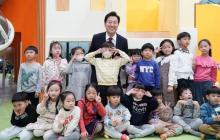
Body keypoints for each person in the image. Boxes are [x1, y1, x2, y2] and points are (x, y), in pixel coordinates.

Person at [88, 11, 128, 84]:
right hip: (98, 78)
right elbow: (90, 54)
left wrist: (118, 59)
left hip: (114, 80)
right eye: (109, 22)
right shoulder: (96, 37)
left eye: (115, 22)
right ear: (105, 23)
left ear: (118, 24)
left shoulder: (123, 41)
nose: (112, 25)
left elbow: (126, 58)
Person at [192, 39, 217, 105]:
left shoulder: (213, 60)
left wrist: (213, 83)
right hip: (197, 82)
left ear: (210, 47)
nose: (203, 48)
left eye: (205, 46)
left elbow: (214, 73)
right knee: (197, 99)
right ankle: (199, 114)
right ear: (199, 48)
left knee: (208, 99)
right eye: (201, 47)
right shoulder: (196, 58)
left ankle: (209, 113)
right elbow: (193, 71)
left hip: (207, 82)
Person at [156, 39, 177, 107]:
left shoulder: (173, 57)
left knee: (168, 97)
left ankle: (169, 114)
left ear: (172, 48)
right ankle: (160, 113)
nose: (167, 49)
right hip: (159, 81)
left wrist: (170, 85)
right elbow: (152, 63)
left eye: (169, 47)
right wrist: (156, 52)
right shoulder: (160, 58)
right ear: (161, 49)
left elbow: (172, 71)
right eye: (164, 47)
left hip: (167, 81)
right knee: (160, 97)